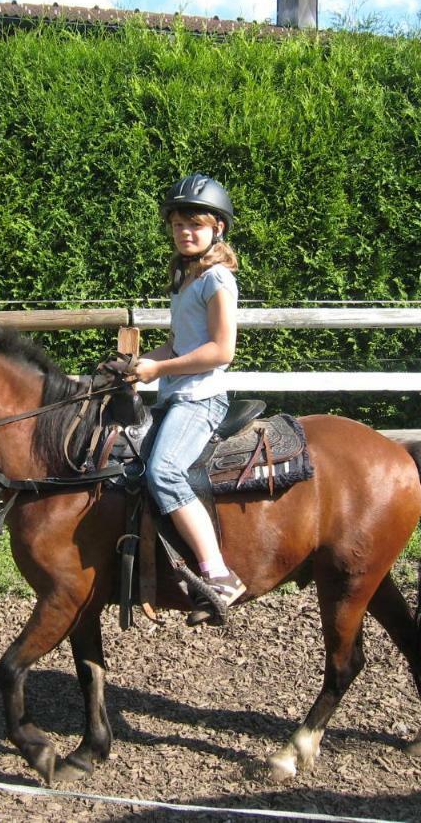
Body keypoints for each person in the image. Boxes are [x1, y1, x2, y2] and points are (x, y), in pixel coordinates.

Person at [132, 173, 245, 622]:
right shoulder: (187, 278)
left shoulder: (217, 279)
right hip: (180, 393)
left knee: (164, 471)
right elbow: (180, 345)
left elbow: (221, 350)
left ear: (218, 228)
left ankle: (219, 574)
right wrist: (136, 366)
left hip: (202, 398)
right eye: (178, 224)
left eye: (195, 224)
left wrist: (158, 370)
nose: (185, 232)